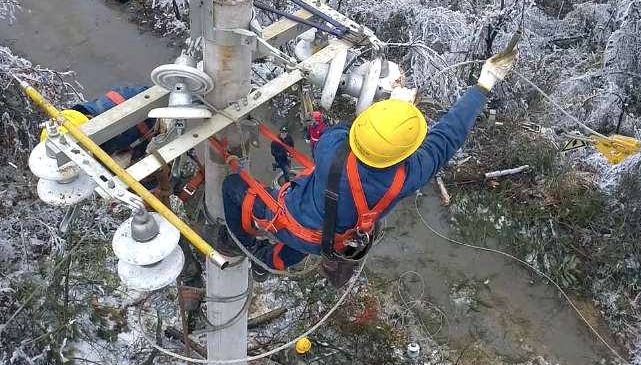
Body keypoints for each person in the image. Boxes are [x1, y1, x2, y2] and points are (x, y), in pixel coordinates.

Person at [220, 46, 517, 275]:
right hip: (330, 241)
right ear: (404, 152)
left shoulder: (332, 149)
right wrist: (484, 83)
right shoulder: (406, 177)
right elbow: (449, 134)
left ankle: (244, 247)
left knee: (233, 186)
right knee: (312, 227)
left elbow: (339, 131)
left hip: (293, 224)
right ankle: (273, 261)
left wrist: (388, 108)